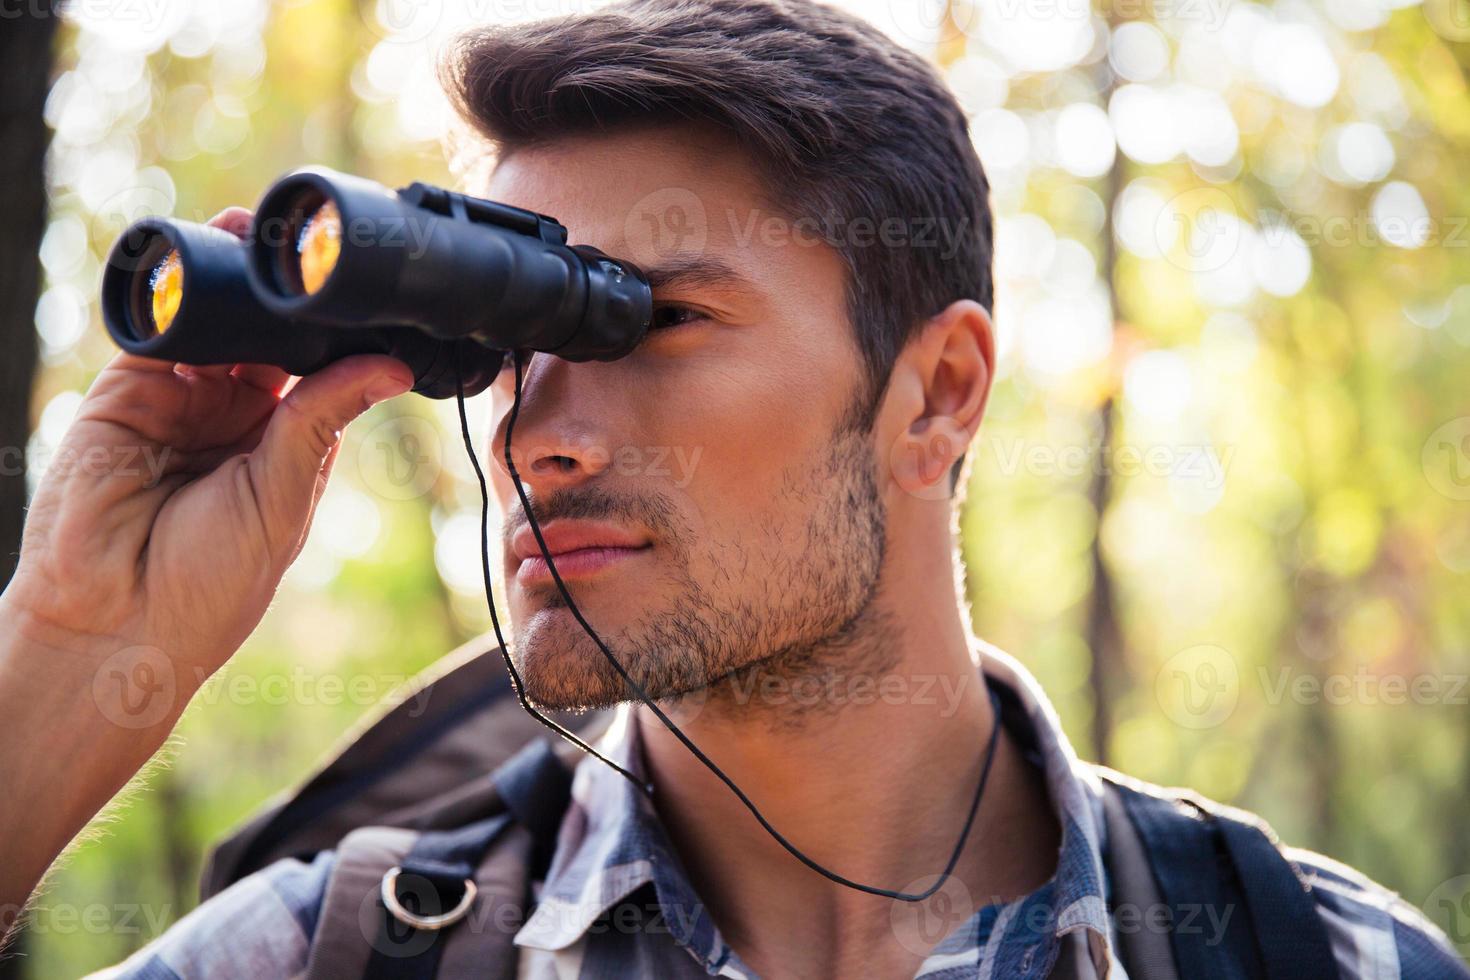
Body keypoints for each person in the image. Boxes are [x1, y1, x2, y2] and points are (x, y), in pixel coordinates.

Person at [0, 1, 1463, 977]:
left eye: (647, 323)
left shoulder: (1302, 953)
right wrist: (68, 667)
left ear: (938, 394)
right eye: (504, 347)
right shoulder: (335, 954)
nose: (536, 434)